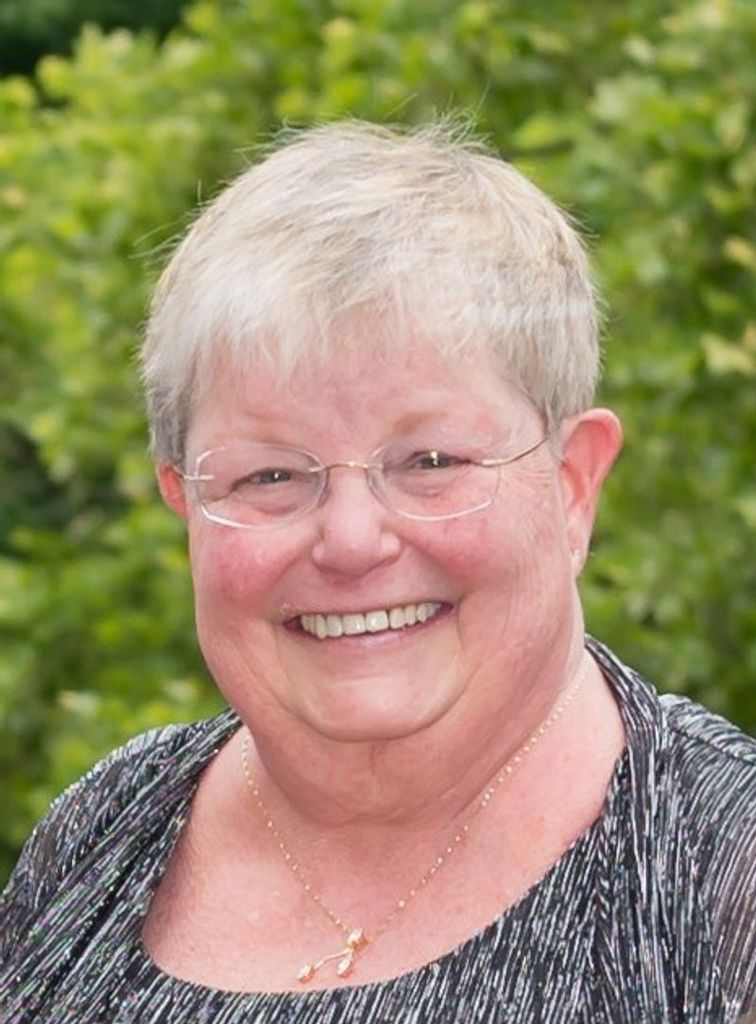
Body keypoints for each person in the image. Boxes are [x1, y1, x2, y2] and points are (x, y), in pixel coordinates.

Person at [0, 120, 753, 1024]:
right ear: (185, 503)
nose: (352, 541)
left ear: (572, 485)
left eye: (430, 461)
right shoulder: (102, 832)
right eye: (270, 476)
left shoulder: (724, 875)